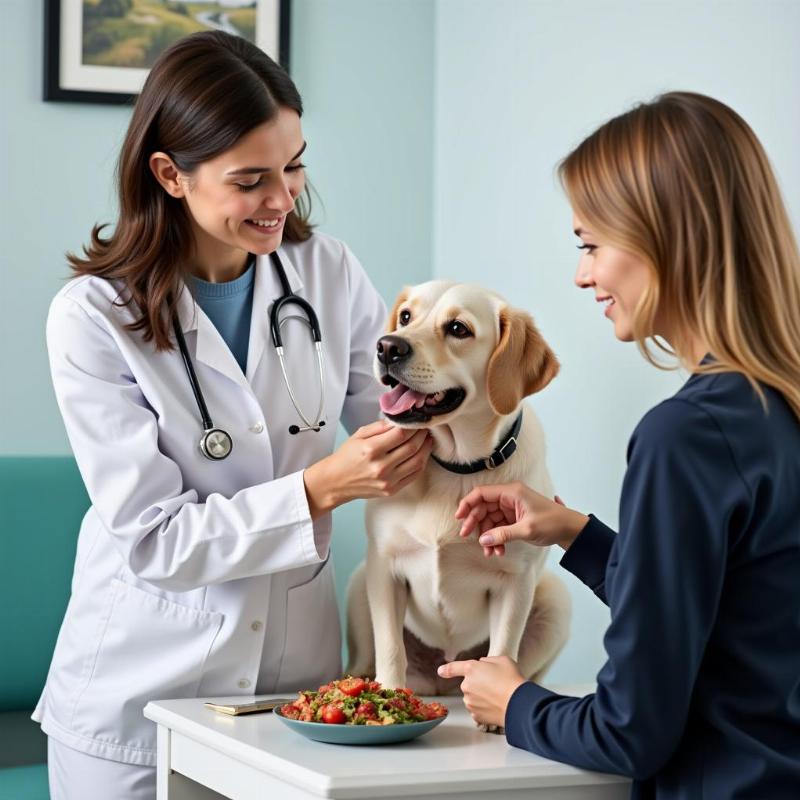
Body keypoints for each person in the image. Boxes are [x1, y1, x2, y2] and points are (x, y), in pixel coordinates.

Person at [34, 31, 433, 800]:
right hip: (137, 694)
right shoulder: (91, 316)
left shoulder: (327, 273)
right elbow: (154, 538)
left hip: (290, 694)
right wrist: (317, 490)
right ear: (169, 174)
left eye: (294, 165)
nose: (283, 198)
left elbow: (397, 423)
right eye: (252, 179)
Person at [438, 92, 800, 799]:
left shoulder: (687, 435)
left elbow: (629, 731)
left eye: (590, 245)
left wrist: (514, 703)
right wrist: (579, 536)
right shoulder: (776, 410)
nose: (582, 275)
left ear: (668, 238)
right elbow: (743, 616)